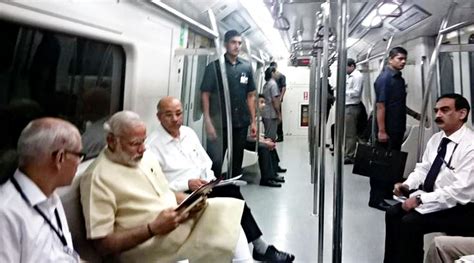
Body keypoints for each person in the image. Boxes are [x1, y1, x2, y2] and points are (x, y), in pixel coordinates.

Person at [80, 111, 251, 262]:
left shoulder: (144, 158)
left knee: (227, 211)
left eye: (143, 142)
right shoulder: (98, 178)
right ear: (111, 141)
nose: (142, 149)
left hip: (175, 225)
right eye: (134, 144)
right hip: (150, 245)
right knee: (224, 229)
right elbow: (103, 245)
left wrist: (187, 200)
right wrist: (152, 228)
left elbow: (162, 191)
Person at [147, 96, 295, 262]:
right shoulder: (152, 146)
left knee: (232, 191)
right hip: (183, 193)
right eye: (168, 115)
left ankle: (254, 250)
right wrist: (186, 183)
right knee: (233, 198)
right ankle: (259, 248)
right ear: (159, 117)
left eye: (178, 113)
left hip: (203, 185)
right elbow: (157, 185)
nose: (175, 119)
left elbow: (204, 162)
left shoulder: (188, 133)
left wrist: (210, 180)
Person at [384, 93, 474, 263]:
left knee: (410, 223)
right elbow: (423, 169)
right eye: (436, 111)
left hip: (463, 207)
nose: (438, 115)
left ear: (462, 114)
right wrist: (407, 185)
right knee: (393, 213)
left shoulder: (470, 147)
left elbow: (460, 192)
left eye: (445, 110)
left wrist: (420, 199)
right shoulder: (437, 139)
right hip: (438, 200)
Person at [0, 117, 83, 262]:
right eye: (78, 156)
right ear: (60, 158)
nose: (78, 163)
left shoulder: (51, 197)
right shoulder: (6, 212)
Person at [201, 29, 257, 179]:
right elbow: (205, 94)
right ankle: (213, 194)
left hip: (240, 123)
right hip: (219, 123)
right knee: (215, 161)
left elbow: (250, 96)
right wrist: (207, 120)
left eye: (239, 43)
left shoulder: (246, 68)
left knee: (236, 162)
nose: (237, 46)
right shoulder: (214, 67)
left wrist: (253, 122)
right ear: (226, 44)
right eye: (233, 42)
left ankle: (233, 193)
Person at [370, 46, 409, 210]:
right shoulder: (385, 78)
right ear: (390, 59)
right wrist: (381, 130)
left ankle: (387, 195)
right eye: (400, 58)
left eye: (404, 59)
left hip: (397, 126)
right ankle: (377, 199)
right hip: (388, 128)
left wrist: (415, 115)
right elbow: (381, 106)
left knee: (392, 165)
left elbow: (397, 103)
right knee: (382, 165)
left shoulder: (398, 78)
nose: (403, 62)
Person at [344, 58, 364, 164]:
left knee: (350, 133)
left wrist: (343, 91)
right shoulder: (350, 77)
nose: (345, 69)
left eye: (346, 67)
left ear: (352, 66)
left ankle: (350, 156)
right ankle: (347, 152)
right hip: (347, 106)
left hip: (352, 107)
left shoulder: (357, 76)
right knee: (347, 132)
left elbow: (356, 92)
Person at [262, 66, 281, 141]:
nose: (277, 74)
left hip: (265, 114)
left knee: (267, 136)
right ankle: (270, 152)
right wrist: (278, 114)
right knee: (271, 138)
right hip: (271, 114)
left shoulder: (266, 84)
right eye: (276, 72)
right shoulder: (273, 84)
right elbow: (274, 101)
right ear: (272, 73)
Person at [269, 61, 286, 142]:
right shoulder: (270, 77)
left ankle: (280, 135)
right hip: (271, 99)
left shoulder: (281, 76)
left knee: (278, 117)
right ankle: (273, 134)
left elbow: (283, 88)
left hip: (276, 98)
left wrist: (280, 98)